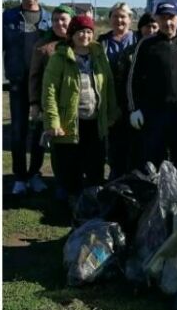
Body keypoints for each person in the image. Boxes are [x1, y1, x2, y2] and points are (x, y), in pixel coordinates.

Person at [126, 2, 177, 182]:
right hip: (154, 115)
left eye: (171, 18)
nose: (167, 23)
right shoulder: (146, 44)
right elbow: (133, 80)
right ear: (156, 20)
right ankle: (154, 201)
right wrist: (134, 109)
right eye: (163, 18)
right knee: (152, 162)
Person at [41, 15, 119, 202]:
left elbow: (108, 86)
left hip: (95, 121)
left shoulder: (99, 56)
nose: (84, 35)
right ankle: (70, 197)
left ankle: (93, 201)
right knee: (69, 164)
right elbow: (49, 91)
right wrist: (53, 121)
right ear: (72, 35)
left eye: (88, 31)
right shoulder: (59, 58)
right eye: (80, 31)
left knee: (95, 164)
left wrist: (111, 113)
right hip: (69, 122)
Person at [3, 0, 52, 195]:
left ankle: (35, 173)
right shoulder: (8, 17)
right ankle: (20, 177)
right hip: (18, 85)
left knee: (39, 132)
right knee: (18, 133)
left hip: (42, 86)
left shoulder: (50, 19)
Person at [27, 4, 75, 199]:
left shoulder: (80, 42)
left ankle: (73, 181)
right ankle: (41, 177)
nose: (59, 23)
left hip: (74, 105)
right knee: (48, 142)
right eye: (55, 20)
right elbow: (34, 76)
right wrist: (34, 103)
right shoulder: (43, 46)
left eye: (63, 19)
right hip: (50, 105)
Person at [98, 2, 137, 179]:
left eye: (123, 16)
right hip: (110, 99)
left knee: (133, 140)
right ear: (110, 19)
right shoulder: (102, 42)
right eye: (115, 16)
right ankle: (115, 175)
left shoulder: (138, 40)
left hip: (133, 100)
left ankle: (132, 177)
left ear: (130, 19)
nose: (119, 20)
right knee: (113, 140)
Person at [116, 12, 159, 173]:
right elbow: (122, 82)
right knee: (134, 148)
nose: (151, 30)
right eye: (147, 26)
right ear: (140, 29)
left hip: (156, 109)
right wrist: (128, 107)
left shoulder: (162, 48)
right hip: (133, 108)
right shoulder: (130, 52)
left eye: (155, 26)